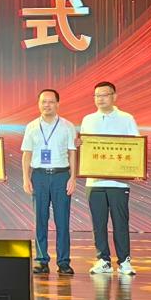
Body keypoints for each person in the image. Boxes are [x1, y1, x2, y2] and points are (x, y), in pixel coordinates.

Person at [81, 81, 140, 276]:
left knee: (120, 223)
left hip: (118, 182)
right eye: (97, 95)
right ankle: (103, 260)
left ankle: (124, 261)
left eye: (104, 95)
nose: (100, 99)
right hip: (94, 181)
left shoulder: (126, 118)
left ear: (114, 96)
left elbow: (135, 146)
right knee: (98, 223)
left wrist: (136, 169)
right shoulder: (88, 119)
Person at [21, 88, 77, 275]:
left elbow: (72, 153)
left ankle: (64, 262)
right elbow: (27, 154)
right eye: (43, 102)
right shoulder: (31, 126)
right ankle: (41, 260)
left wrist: (73, 177)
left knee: (63, 221)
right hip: (39, 176)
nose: (47, 105)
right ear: (38, 104)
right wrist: (26, 178)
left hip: (61, 176)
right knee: (40, 220)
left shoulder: (67, 126)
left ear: (57, 104)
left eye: (51, 102)